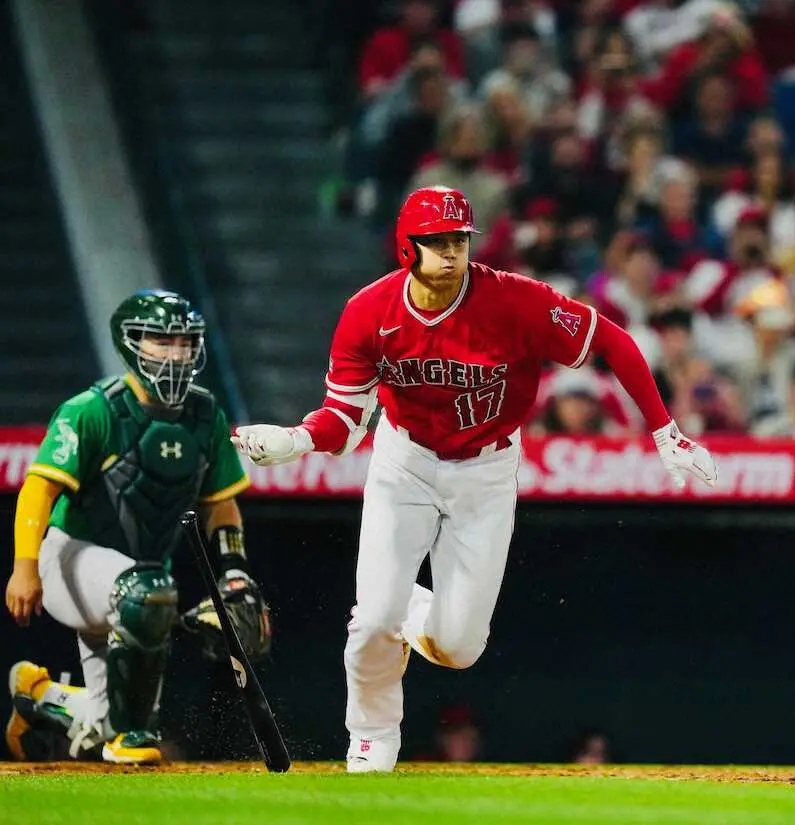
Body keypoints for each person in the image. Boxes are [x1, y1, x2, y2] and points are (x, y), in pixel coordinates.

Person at [231, 186, 717, 773]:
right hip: (405, 460)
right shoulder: (369, 311)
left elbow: (610, 339)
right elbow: (347, 418)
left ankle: (399, 605)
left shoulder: (514, 301)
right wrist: (298, 440)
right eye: (436, 240)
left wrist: (664, 430)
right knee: (371, 621)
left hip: (487, 468)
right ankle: (372, 736)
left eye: (458, 239)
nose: (451, 251)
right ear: (407, 246)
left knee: (459, 647)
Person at [4, 290, 269, 765]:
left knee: (102, 723)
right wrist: (25, 566)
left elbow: (221, 506)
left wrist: (234, 570)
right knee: (146, 604)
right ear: (131, 345)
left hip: (140, 579)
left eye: (183, 343)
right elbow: (38, 489)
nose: (173, 354)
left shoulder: (205, 414)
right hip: (71, 559)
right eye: (159, 341)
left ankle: (37, 696)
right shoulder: (93, 409)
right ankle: (131, 735)